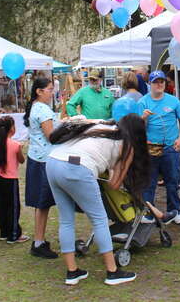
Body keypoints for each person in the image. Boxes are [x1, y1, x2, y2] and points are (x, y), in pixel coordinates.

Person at [46, 114, 150, 285]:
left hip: (53, 162)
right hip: (78, 168)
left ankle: (72, 272)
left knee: (66, 220)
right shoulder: (128, 146)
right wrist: (112, 169)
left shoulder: (102, 127)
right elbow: (115, 184)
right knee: (100, 220)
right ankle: (112, 272)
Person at [138, 70, 180, 225]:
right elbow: (138, 127)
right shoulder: (143, 102)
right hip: (150, 147)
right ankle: (148, 213)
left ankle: (176, 211)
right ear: (150, 84)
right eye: (156, 82)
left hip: (170, 147)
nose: (159, 84)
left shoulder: (173, 101)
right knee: (149, 182)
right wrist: (143, 118)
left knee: (172, 181)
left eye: (162, 82)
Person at [24, 77, 59, 259]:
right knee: (43, 203)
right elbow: (51, 136)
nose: (52, 93)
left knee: (42, 204)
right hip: (43, 160)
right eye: (50, 89)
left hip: (37, 157)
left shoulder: (36, 107)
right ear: (39, 91)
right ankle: (38, 242)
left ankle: (39, 240)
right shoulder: (42, 109)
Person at [0, 115, 29, 243]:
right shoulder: (15, 145)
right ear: (11, 129)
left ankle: (3, 232)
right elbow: (22, 161)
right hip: (11, 180)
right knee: (13, 207)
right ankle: (14, 235)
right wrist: (20, 150)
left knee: (2, 206)